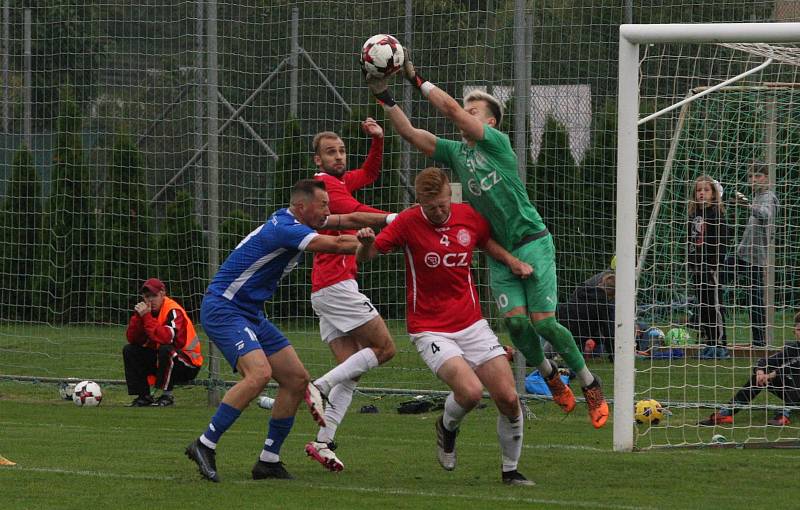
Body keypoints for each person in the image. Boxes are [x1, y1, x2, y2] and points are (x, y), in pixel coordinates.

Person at [364, 58, 609, 428]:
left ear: (489, 122)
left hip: (532, 241)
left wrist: (415, 77)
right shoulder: (456, 154)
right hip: (499, 252)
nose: (465, 113)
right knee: (516, 325)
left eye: (473, 111)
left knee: (543, 323)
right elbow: (412, 134)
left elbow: (447, 108)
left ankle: (590, 384)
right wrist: (383, 95)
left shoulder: (497, 144)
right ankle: (550, 375)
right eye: (467, 109)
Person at [184, 179, 391, 483]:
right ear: (302, 206)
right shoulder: (286, 228)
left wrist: (390, 222)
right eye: (323, 206)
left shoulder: (298, 221)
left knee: (296, 380)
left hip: (249, 312)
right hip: (224, 307)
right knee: (258, 374)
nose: (328, 212)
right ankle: (204, 444)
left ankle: (268, 460)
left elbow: (348, 220)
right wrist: (392, 241)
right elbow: (334, 245)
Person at [356, 167, 535, 485]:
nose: (438, 212)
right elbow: (367, 257)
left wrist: (512, 261)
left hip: (472, 323)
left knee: (508, 398)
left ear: (449, 195)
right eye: (430, 207)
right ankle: (447, 427)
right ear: (419, 203)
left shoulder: (468, 216)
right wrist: (365, 244)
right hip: (429, 327)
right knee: (469, 392)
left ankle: (511, 471)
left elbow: (485, 242)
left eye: (442, 205)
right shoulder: (407, 223)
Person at [304, 120, 397, 472]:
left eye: (342, 150)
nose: (339, 156)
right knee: (386, 349)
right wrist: (400, 220)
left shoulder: (340, 182)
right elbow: (356, 212)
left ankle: (323, 441)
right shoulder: (325, 186)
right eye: (331, 152)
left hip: (325, 290)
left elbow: (370, 173)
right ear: (318, 161)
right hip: (337, 285)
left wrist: (378, 140)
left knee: (351, 372)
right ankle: (317, 386)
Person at [699, 311, 800, 426]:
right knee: (757, 377)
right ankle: (726, 413)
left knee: (796, 374)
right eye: (799, 330)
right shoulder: (793, 347)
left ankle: (784, 414)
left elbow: (794, 365)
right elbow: (765, 361)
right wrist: (760, 371)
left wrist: (772, 374)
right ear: (794, 332)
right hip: (796, 395)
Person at [124, 278, 203, 407]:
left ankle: (167, 396)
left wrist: (146, 318)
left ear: (162, 294)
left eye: (154, 296)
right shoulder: (145, 312)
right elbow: (133, 339)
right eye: (147, 296)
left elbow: (167, 338)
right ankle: (143, 396)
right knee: (130, 350)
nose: (150, 300)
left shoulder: (173, 311)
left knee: (166, 349)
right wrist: (139, 318)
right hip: (163, 360)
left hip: (188, 364)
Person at [724, 163, 779, 347]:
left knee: (754, 299)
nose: (753, 180)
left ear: (767, 178)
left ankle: (759, 341)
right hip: (742, 254)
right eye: (750, 177)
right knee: (715, 279)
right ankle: (704, 321)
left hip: (755, 259)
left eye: (758, 176)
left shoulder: (768, 197)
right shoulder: (757, 197)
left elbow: (764, 215)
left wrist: (747, 204)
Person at [687, 175, 729, 356]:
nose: (702, 193)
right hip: (697, 267)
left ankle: (720, 345)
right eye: (698, 190)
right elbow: (690, 241)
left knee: (714, 305)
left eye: (706, 190)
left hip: (712, 267)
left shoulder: (716, 214)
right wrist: (690, 262)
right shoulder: (694, 215)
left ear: (713, 193)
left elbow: (723, 241)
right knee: (702, 305)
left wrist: (714, 264)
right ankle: (709, 342)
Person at [557, 271, 615, 361]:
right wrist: (613, 355)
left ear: (600, 283)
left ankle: (544, 355)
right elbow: (608, 332)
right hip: (578, 332)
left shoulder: (582, 290)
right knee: (598, 336)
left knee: (557, 333)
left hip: (561, 321)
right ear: (613, 294)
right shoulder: (603, 304)